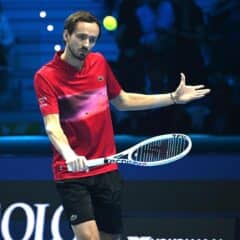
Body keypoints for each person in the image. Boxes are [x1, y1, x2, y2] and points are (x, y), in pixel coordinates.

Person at [33, 11, 210, 240]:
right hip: (72, 172)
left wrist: (172, 98)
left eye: (92, 39)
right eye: (81, 37)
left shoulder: (99, 63)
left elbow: (123, 101)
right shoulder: (46, 77)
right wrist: (69, 155)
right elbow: (52, 126)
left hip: (107, 170)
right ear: (66, 35)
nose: (86, 44)